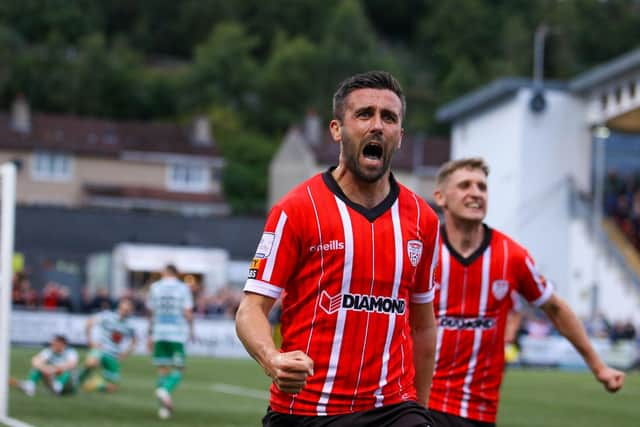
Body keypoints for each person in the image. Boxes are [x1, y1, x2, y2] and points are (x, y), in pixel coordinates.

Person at [235, 70, 440, 427]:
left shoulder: (423, 220)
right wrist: (273, 359)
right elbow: (251, 308)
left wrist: (419, 411)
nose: (377, 125)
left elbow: (423, 326)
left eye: (388, 117)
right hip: (305, 412)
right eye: (364, 114)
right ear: (336, 130)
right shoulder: (296, 209)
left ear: (400, 136)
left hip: (391, 410)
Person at [428, 157, 625, 427]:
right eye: (464, 185)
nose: (475, 193)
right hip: (419, 402)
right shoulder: (421, 249)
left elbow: (555, 308)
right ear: (441, 197)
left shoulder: (512, 256)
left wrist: (599, 367)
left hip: (476, 410)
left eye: (482, 187)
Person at [146, 264, 194, 419]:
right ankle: (165, 390)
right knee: (179, 368)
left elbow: (151, 312)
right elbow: (187, 312)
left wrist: (150, 333)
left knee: (162, 369)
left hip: (159, 332)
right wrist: (192, 328)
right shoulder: (183, 288)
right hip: (176, 334)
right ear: (176, 273)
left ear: (164, 272)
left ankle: (163, 409)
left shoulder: (155, 287)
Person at [78, 297, 137, 392]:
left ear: (131, 311)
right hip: (101, 349)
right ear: (119, 307)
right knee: (91, 363)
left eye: (128, 310)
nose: (125, 311)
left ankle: (93, 383)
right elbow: (89, 322)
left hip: (113, 356)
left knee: (111, 388)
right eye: (124, 308)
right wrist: (90, 341)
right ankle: (77, 380)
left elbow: (135, 341)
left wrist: (125, 353)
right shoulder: (107, 316)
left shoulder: (130, 326)